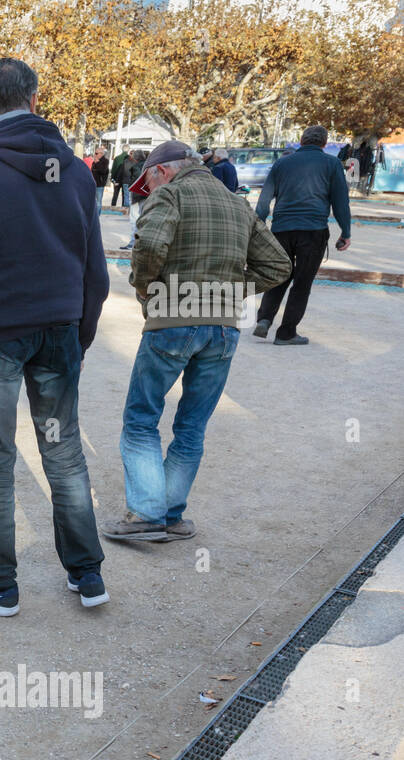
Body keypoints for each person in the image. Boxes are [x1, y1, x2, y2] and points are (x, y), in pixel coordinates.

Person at [0, 57, 110, 617]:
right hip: (58, 330)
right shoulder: (77, 172)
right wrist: (79, 334)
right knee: (63, 453)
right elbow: (95, 270)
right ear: (34, 100)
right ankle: (87, 574)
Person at [103, 141, 290, 542]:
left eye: (147, 182)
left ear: (162, 171)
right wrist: (225, 291)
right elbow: (278, 265)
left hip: (172, 319)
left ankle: (148, 515)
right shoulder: (238, 204)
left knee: (141, 420)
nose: (147, 191)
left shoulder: (170, 194)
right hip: (224, 327)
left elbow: (150, 246)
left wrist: (146, 292)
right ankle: (170, 515)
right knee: (192, 427)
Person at [253, 124, 352, 345]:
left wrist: (257, 224)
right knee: (302, 282)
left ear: (301, 140)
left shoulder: (281, 163)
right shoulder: (332, 163)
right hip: (313, 230)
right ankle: (286, 333)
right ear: (325, 143)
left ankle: (265, 319)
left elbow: (264, 199)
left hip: (281, 229)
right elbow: (340, 201)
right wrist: (345, 232)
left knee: (279, 275)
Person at [91, 145, 109, 212]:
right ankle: (93, 215)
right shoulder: (94, 161)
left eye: (96, 153)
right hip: (93, 184)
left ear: (101, 154)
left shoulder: (105, 161)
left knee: (98, 201)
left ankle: (97, 215)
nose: (95, 154)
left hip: (100, 184)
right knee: (92, 201)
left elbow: (103, 171)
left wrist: (97, 162)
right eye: (95, 153)